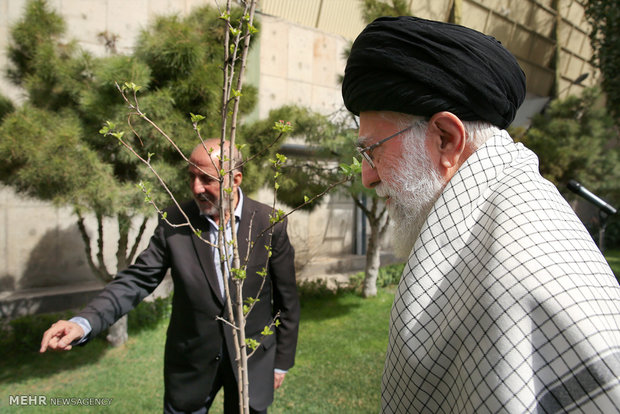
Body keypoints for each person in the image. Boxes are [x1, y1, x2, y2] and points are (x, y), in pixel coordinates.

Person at [342, 16, 620, 413]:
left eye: (374, 150)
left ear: (447, 139)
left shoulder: (517, 268)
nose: (368, 176)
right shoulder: (504, 207)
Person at [40, 139, 300, 414]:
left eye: (207, 178)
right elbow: (136, 280)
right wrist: (83, 323)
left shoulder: (269, 224)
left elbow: (287, 301)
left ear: (235, 179)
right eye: (191, 176)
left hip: (252, 362)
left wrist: (281, 361)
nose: (196, 187)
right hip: (190, 366)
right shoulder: (175, 220)